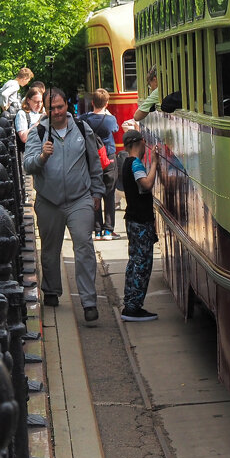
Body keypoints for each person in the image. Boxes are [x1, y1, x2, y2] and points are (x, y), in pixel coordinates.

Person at [22, 88, 104, 323]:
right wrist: (42, 157)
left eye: (60, 107)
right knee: (49, 248)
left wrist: (96, 192)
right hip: (49, 201)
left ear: (66, 106)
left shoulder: (81, 128)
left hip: (80, 199)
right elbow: (28, 165)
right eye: (52, 109)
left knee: (84, 246)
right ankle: (51, 290)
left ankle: (89, 301)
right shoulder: (38, 132)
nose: (57, 112)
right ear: (46, 110)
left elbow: (94, 161)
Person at [119, 129, 160, 322]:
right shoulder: (135, 164)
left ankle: (130, 303)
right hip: (141, 221)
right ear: (141, 143)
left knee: (134, 261)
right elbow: (146, 184)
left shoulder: (126, 163)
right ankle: (134, 307)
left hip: (132, 219)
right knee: (142, 263)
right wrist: (154, 164)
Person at [82, 89, 121, 241]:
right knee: (109, 194)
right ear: (107, 103)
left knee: (94, 193)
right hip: (109, 159)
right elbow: (116, 129)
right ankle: (108, 231)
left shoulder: (85, 119)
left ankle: (97, 230)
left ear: (92, 102)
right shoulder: (110, 119)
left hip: (92, 160)